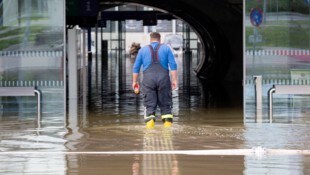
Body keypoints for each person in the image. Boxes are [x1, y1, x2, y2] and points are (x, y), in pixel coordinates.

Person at [132, 32, 178, 128]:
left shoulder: (143, 50)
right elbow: (173, 66)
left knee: (149, 107)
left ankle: (150, 133)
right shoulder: (166, 48)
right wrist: (174, 80)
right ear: (160, 39)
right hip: (164, 79)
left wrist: (134, 82)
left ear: (150, 39)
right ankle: (167, 134)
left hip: (148, 80)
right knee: (166, 107)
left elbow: (136, 68)